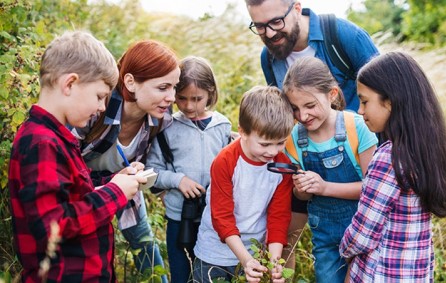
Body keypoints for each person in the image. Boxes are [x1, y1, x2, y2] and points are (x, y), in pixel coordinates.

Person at [245, 0, 379, 270]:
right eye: (259, 27)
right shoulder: (268, 58)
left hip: (355, 157)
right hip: (306, 158)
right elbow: (281, 115)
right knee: (288, 234)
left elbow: (386, 92)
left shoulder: (343, 37)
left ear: (296, 8)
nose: (269, 33)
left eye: (275, 22)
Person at [8, 30, 146, 282]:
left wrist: (115, 181)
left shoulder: (56, 138)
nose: (102, 107)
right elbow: (54, 226)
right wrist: (114, 194)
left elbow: (71, 195)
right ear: (70, 84)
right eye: (99, 96)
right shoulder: (41, 144)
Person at [339, 52, 446, 282]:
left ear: (390, 101)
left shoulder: (389, 158)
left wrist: (345, 250)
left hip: (380, 273)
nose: (360, 111)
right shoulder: (426, 150)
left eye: (365, 101)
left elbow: (363, 234)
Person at [71, 39, 180, 282]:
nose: (171, 97)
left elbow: (187, 135)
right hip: (81, 190)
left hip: (124, 187)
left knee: (143, 240)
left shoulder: (160, 118)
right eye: (163, 88)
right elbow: (63, 157)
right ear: (130, 82)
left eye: (174, 87)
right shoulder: (98, 108)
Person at [281, 56, 378, 283]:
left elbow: (373, 189)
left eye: (310, 105)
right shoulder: (293, 139)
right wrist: (302, 189)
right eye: (294, 108)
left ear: (332, 94)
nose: (302, 116)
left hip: (364, 231)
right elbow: (302, 196)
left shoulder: (357, 127)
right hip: (325, 238)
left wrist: (324, 187)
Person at [192, 86, 294, 283]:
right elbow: (222, 216)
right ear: (242, 132)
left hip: (254, 254)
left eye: (280, 142)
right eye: (264, 144)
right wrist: (245, 260)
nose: (273, 152)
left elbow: (278, 216)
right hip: (214, 254)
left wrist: (275, 263)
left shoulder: (282, 167)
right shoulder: (225, 161)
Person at [146, 56, 232, 283]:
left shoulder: (222, 126)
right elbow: (151, 171)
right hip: (179, 216)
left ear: (211, 93)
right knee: (181, 273)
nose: (189, 106)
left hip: (213, 218)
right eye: (181, 98)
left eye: (197, 99)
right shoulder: (167, 126)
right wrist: (178, 180)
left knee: (211, 274)